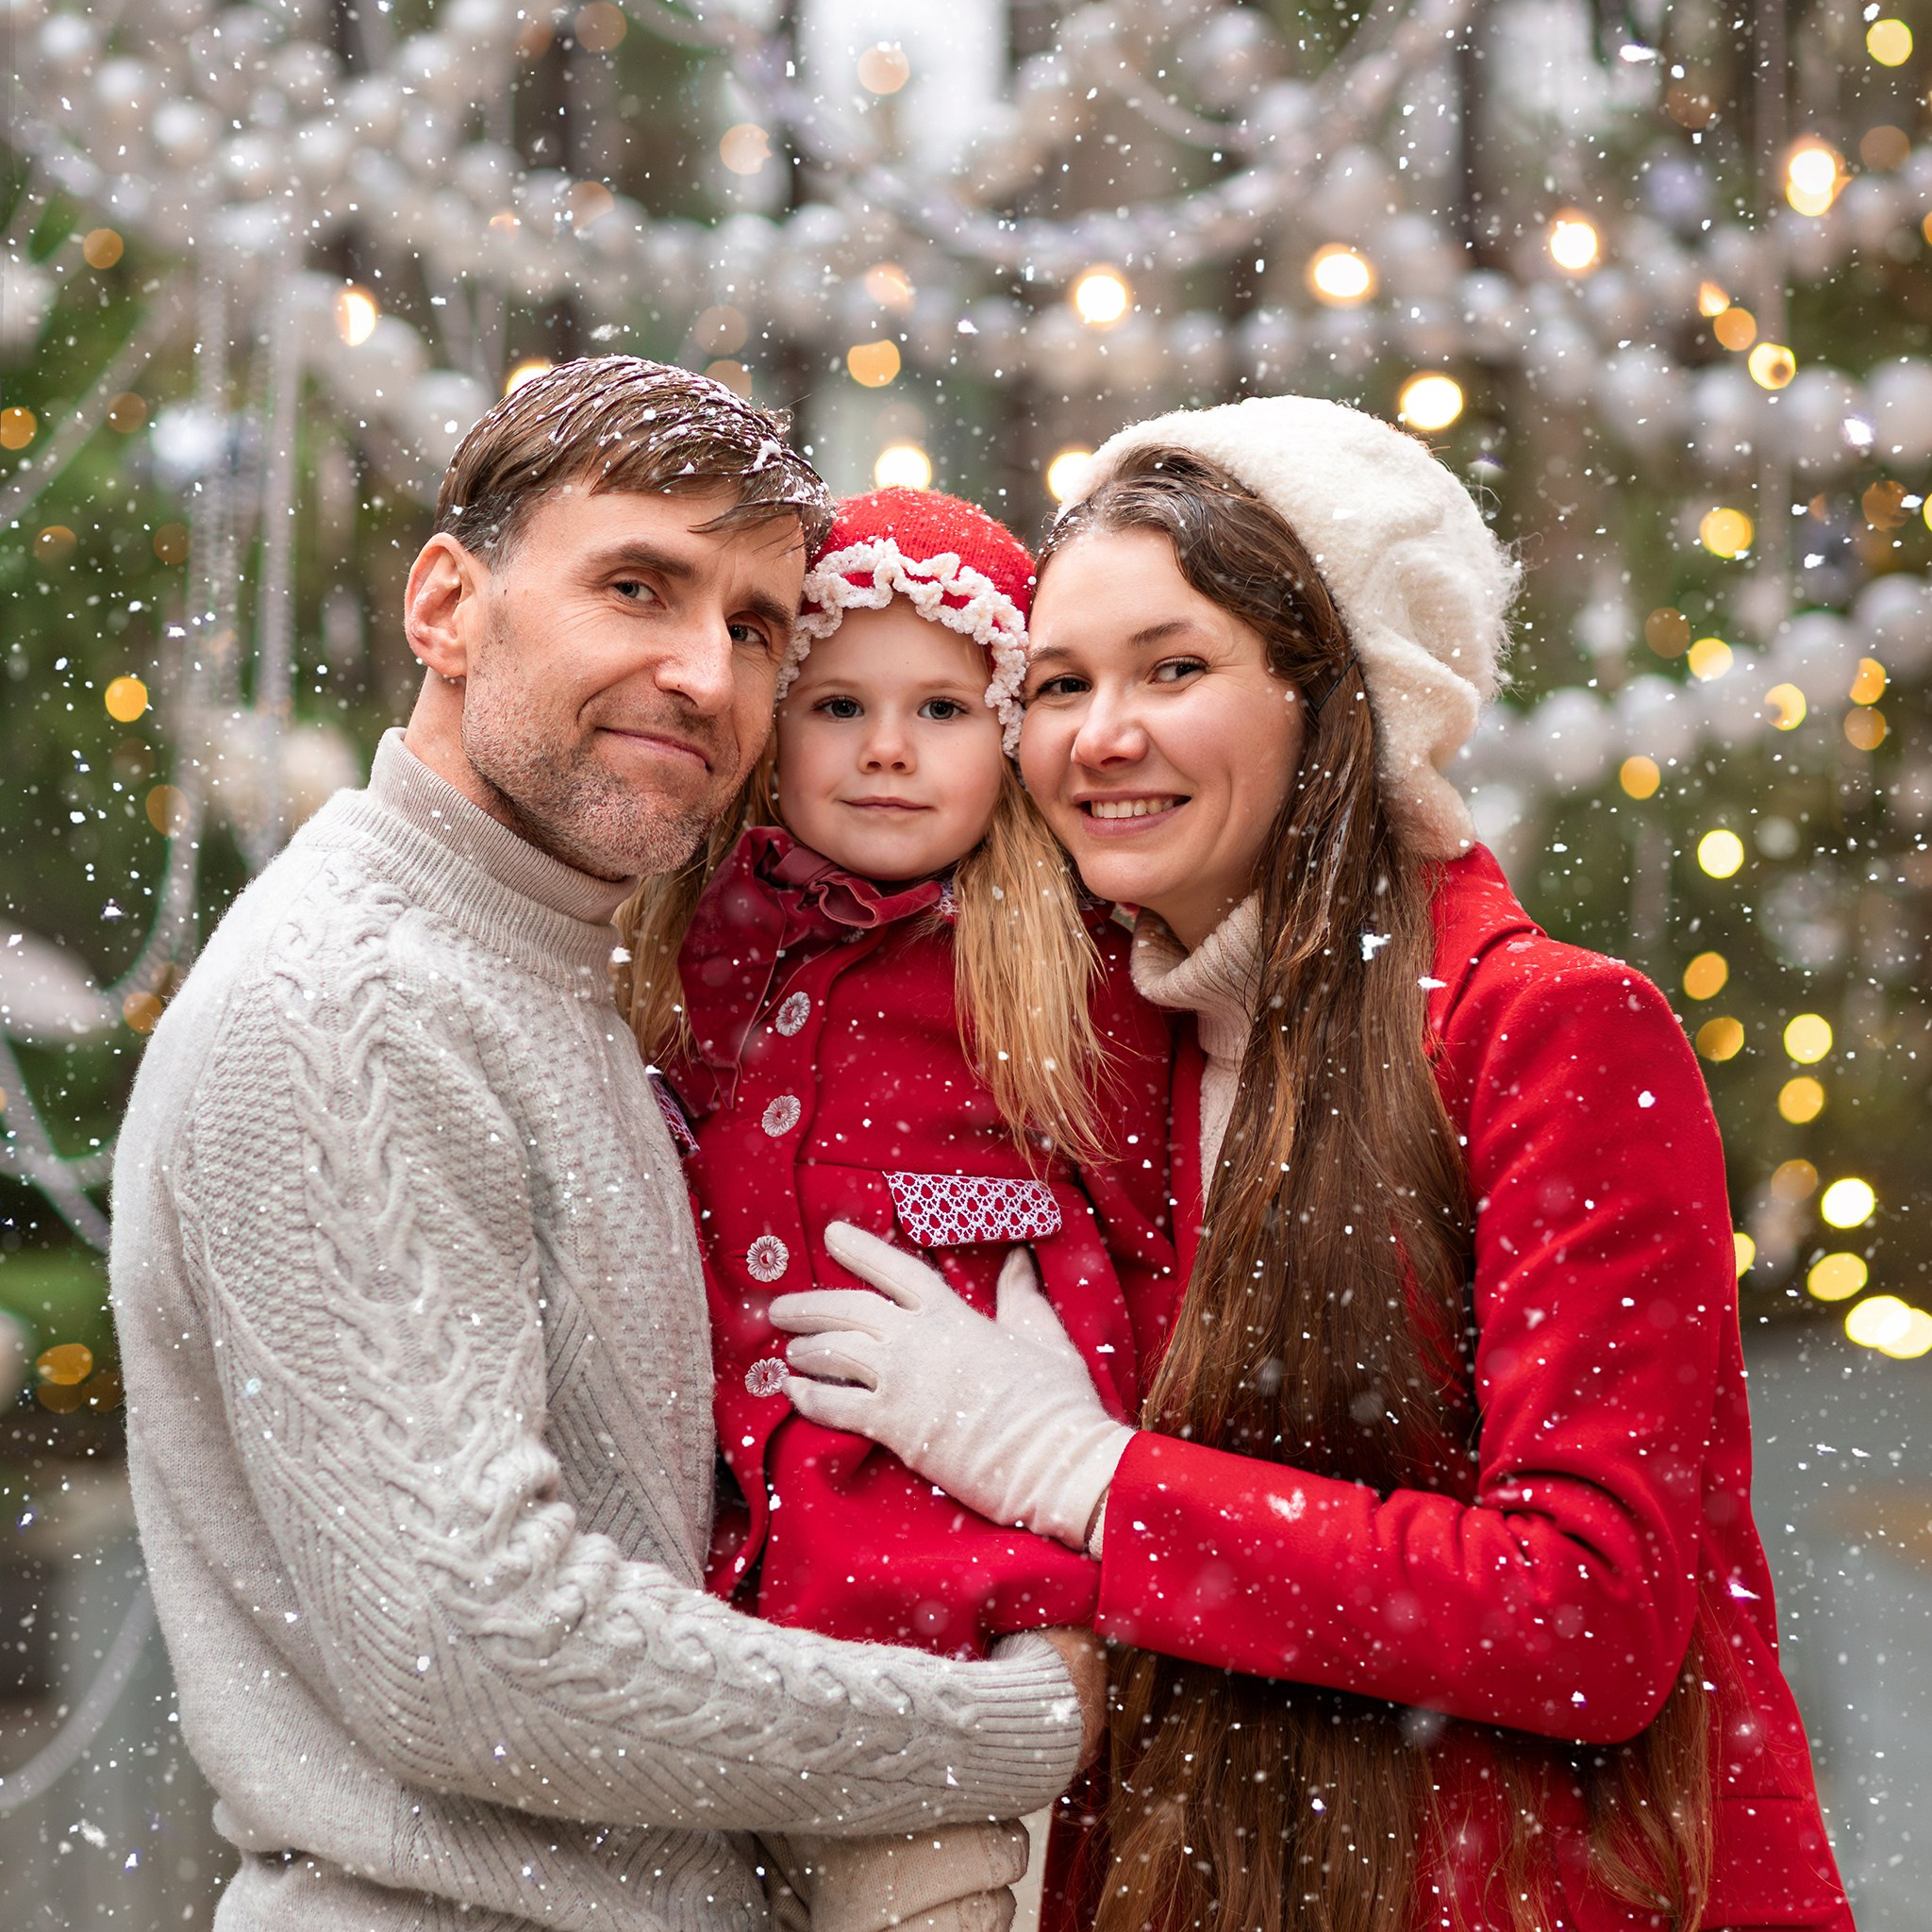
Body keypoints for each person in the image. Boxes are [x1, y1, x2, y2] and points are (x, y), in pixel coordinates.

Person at [770, 398, 1853, 1932]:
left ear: (1336, 696)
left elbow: (1584, 1615)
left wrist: (1085, 1474)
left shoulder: (1547, 1034)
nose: (1098, 735)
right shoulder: (1092, 1067)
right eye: (1058, 682)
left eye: (1173, 667)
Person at [108, 358, 1103, 1932]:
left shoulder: (579, 973)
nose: (704, 673)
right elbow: (471, 1651)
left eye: (758, 627)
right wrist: (1014, 1726)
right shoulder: (359, 1003)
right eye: (637, 585)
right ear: (445, 605)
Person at [624, 486, 1174, 1655]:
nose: (886, 748)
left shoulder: (1069, 962)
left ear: (1012, 734)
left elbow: (1153, 1241)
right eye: (836, 705)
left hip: (950, 1563)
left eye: (940, 706)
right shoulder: (694, 936)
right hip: (698, 1555)